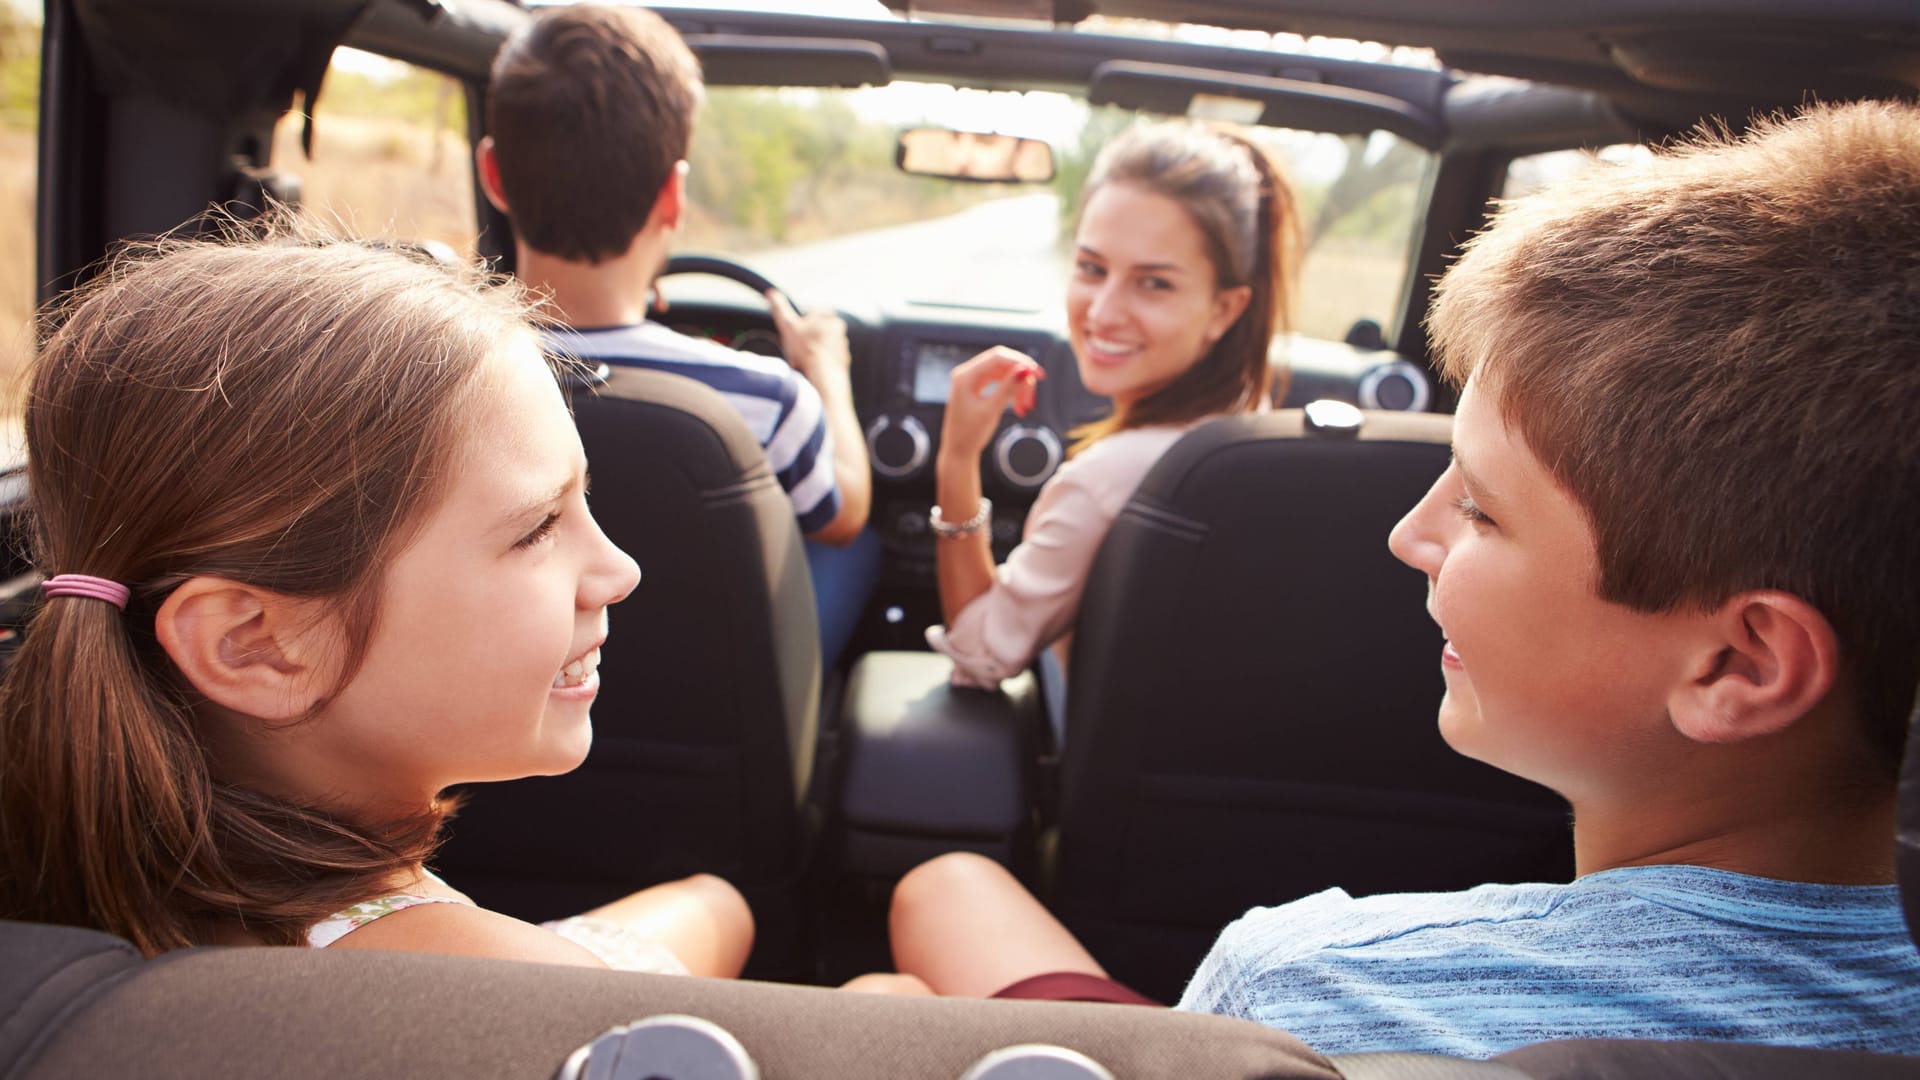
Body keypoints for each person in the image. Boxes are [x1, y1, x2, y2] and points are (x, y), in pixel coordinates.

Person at [880, 100, 1920, 1058]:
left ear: (1740, 664)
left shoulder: (1309, 988)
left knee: (899, 988)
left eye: (1477, 507)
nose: (1402, 533)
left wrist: (955, 472)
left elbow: (983, 652)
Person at [0, 229, 753, 978]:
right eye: (538, 528)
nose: (620, 572)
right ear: (255, 644)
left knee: (717, 906)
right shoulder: (520, 999)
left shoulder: (98, 876)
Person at [477, 4, 877, 669]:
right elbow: (845, 515)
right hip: (711, 729)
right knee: (860, 547)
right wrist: (827, 371)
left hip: (506, 708)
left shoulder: (425, 376)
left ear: (493, 177)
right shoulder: (769, 396)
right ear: (673, 197)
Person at [925, 121, 1302, 708]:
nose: (1102, 312)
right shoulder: (1252, 428)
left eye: (1153, 283)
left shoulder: (1107, 479)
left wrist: (956, 459)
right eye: (1092, 268)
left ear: (1224, 310)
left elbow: (981, 655)